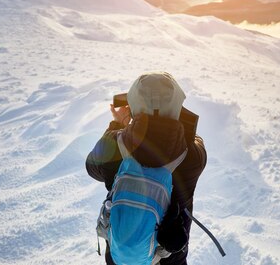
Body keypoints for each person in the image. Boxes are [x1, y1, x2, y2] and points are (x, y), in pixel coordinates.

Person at [85, 72, 207, 265]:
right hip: (169, 255)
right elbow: (196, 139)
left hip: (121, 251)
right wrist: (174, 116)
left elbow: (91, 167)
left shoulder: (115, 143)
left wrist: (119, 124)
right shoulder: (192, 156)